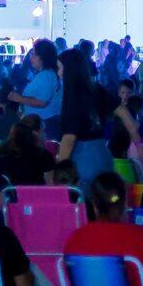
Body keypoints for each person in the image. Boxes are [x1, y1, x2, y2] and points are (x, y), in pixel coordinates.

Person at [51, 48, 112, 188]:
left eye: (60, 68)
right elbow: (120, 109)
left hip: (83, 160)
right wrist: (137, 140)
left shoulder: (72, 96)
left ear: (70, 69)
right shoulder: (96, 89)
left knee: (82, 199)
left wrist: (58, 173)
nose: (58, 73)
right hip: (103, 153)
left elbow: (69, 138)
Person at [6, 39, 62, 131]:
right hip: (43, 121)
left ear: (44, 57)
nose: (31, 57)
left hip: (44, 123)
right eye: (31, 54)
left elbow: (42, 102)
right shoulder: (45, 74)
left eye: (34, 54)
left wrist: (18, 98)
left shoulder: (46, 75)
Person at [0, 114, 57, 187]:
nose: (45, 135)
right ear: (35, 133)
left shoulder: (1, 152)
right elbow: (50, 186)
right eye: (43, 131)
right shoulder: (44, 156)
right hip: (36, 194)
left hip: (7, 194)